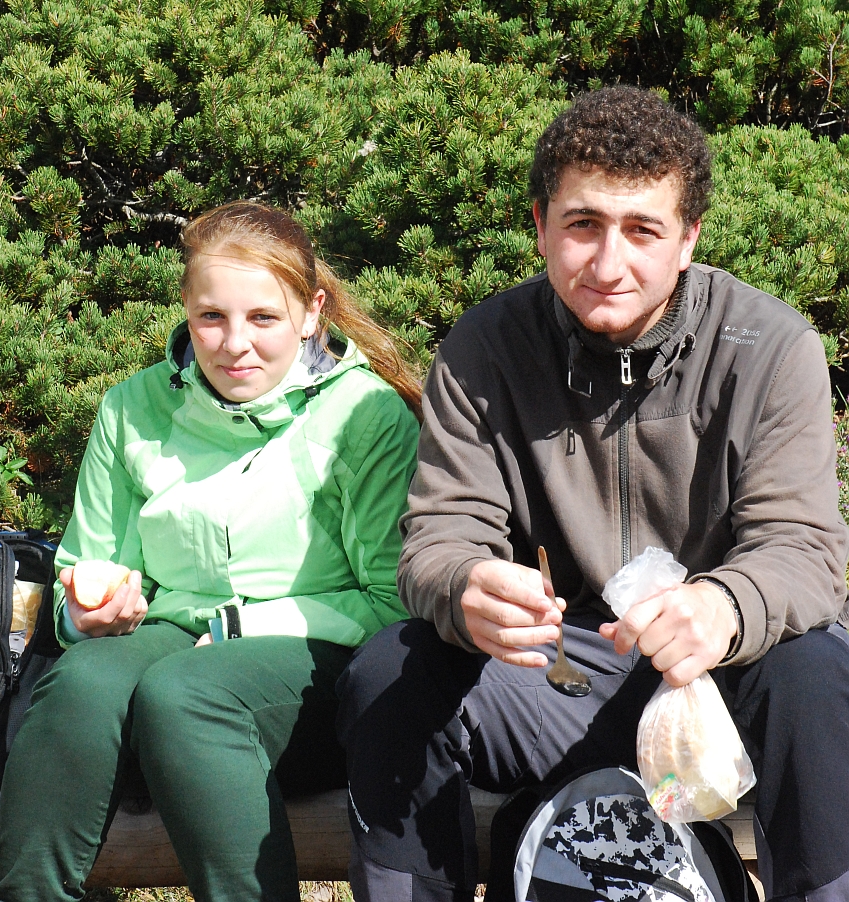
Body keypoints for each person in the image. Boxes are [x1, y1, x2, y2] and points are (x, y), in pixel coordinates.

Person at [337, 86, 849, 902]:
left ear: (687, 238)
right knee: (390, 670)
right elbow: (438, 537)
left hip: (723, 691)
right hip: (552, 681)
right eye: (582, 225)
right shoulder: (483, 349)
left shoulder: (768, 346)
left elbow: (805, 552)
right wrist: (465, 586)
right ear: (539, 225)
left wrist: (723, 604)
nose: (608, 265)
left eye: (642, 230)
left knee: (813, 670)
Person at [0, 201, 420, 902]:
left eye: (263, 318)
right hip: (169, 636)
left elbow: (391, 603)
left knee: (184, 693)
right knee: (81, 685)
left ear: (310, 313)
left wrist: (239, 626)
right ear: (186, 313)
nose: (234, 344)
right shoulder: (132, 408)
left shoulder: (364, 416)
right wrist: (82, 615)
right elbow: (87, 564)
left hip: (317, 662)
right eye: (212, 317)